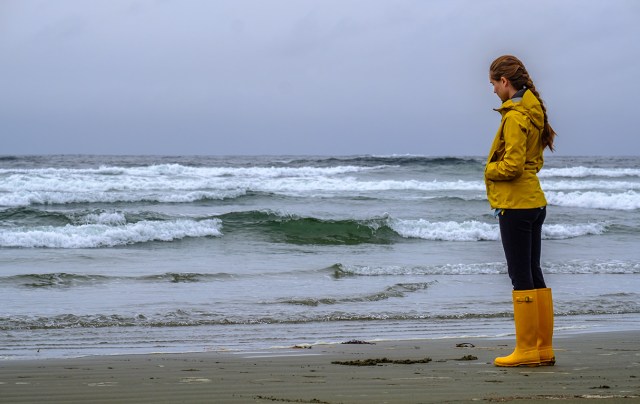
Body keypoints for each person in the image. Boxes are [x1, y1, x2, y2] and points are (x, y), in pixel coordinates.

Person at [485, 55, 556, 367]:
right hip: (534, 202)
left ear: (505, 82)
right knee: (533, 271)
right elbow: (534, 162)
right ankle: (543, 349)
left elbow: (512, 165)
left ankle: (527, 351)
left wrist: (490, 170)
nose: (493, 91)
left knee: (520, 274)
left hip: (516, 204)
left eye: (493, 84)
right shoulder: (534, 112)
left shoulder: (514, 117)